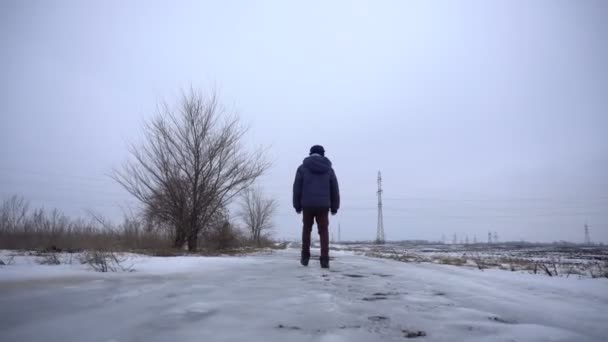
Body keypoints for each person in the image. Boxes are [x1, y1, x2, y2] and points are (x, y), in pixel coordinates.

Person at [293, 145, 340, 268]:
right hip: (323, 206)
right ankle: (324, 259)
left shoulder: (302, 168)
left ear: (310, 154)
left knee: (306, 230)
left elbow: (297, 188)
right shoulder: (329, 170)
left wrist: (297, 205)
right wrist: (335, 207)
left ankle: (305, 257)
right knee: (323, 231)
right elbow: (334, 189)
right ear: (322, 154)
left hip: (307, 205)